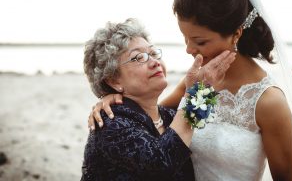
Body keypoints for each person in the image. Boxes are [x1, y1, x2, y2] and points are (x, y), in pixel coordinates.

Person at [88, 0, 292, 180]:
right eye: (185, 38)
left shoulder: (269, 101)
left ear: (236, 34)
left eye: (199, 41)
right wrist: (114, 97)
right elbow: (152, 121)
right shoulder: (196, 82)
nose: (189, 49)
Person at [81, 18, 235, 180]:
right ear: (114, 80)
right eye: (138, 57)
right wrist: (197, 93)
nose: (154, 62)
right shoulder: (109, 122)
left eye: (153, 53)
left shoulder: (168, 116)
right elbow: (160, 164)